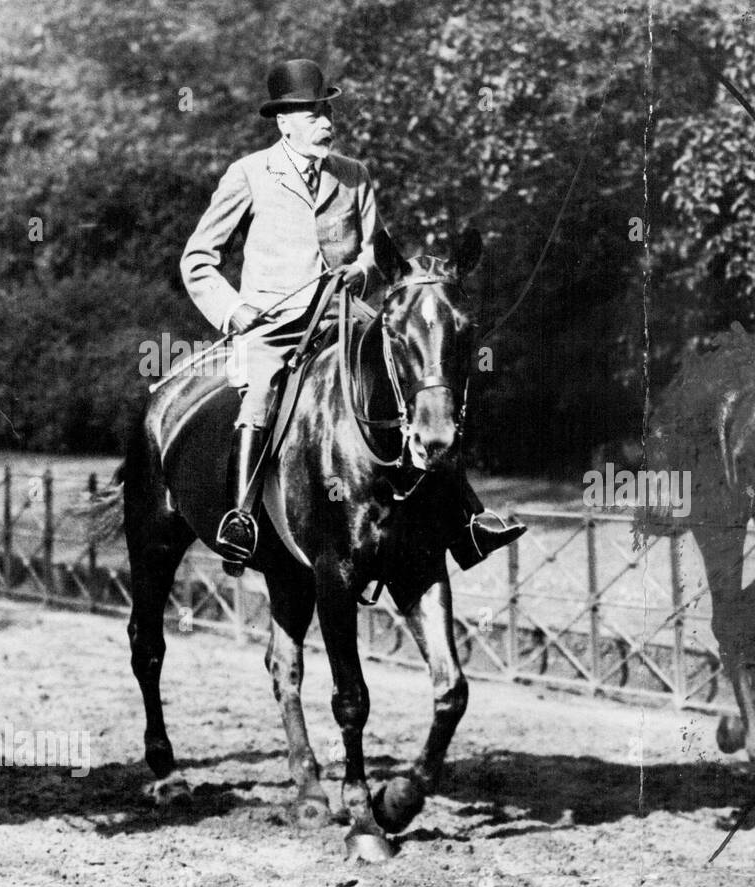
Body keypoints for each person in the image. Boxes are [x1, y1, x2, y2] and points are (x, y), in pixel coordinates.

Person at [181, 58, 523, 570]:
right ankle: (241, 518)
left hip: (346, 318)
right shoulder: (249, 175)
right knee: (260, 395)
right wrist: (234, 309)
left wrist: (359, 274)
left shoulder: (354, 176)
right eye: (313, 113)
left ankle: (466, 521)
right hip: (273, 329)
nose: (326, 122)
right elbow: (197, 259)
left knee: (419, 385)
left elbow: (372, 250)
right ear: (284, 122)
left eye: (327, 111)